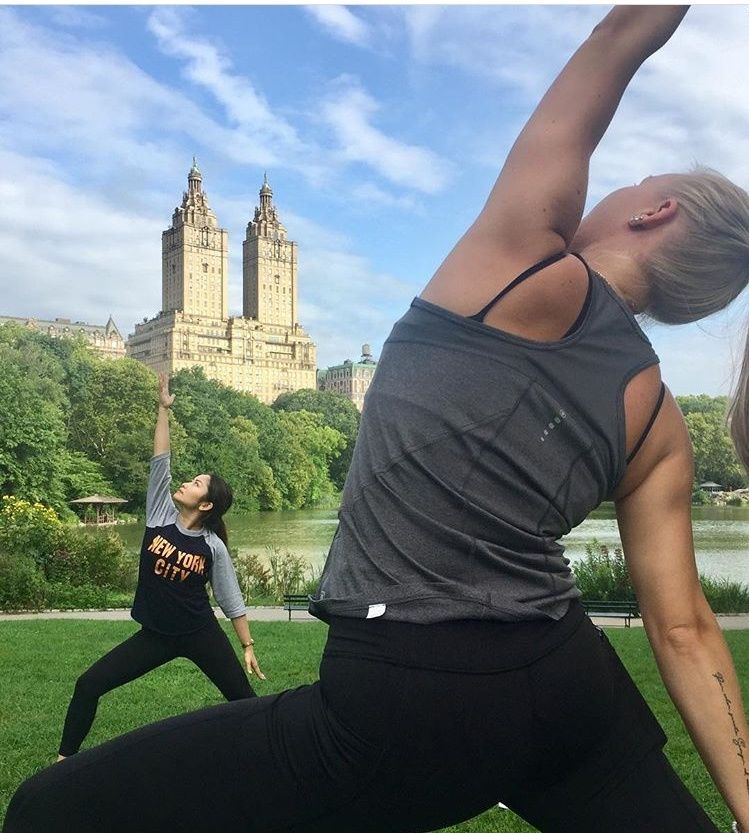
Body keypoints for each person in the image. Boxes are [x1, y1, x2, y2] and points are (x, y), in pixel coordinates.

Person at [5, 5, 749, 832]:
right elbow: (682, 628)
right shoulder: (658, 419)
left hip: (405, 698)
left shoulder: (515, 260)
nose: (625, 185)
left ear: (654, 214)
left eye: (642, 182)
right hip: (568, 687)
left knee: (49, 808)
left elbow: (620, 36)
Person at [55, 372, 263, 761]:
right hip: (156, 635)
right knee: (88, 684)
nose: (186, 482)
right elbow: (160, 461)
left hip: (200, 633)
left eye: (197, 483)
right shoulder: (160, 515)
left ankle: (268, 757)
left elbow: (230, 598)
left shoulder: (212, 547)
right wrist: (162, 410)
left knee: (244, 702)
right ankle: (64, 760)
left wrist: (246, 645)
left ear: (206, 505)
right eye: (191, 478)